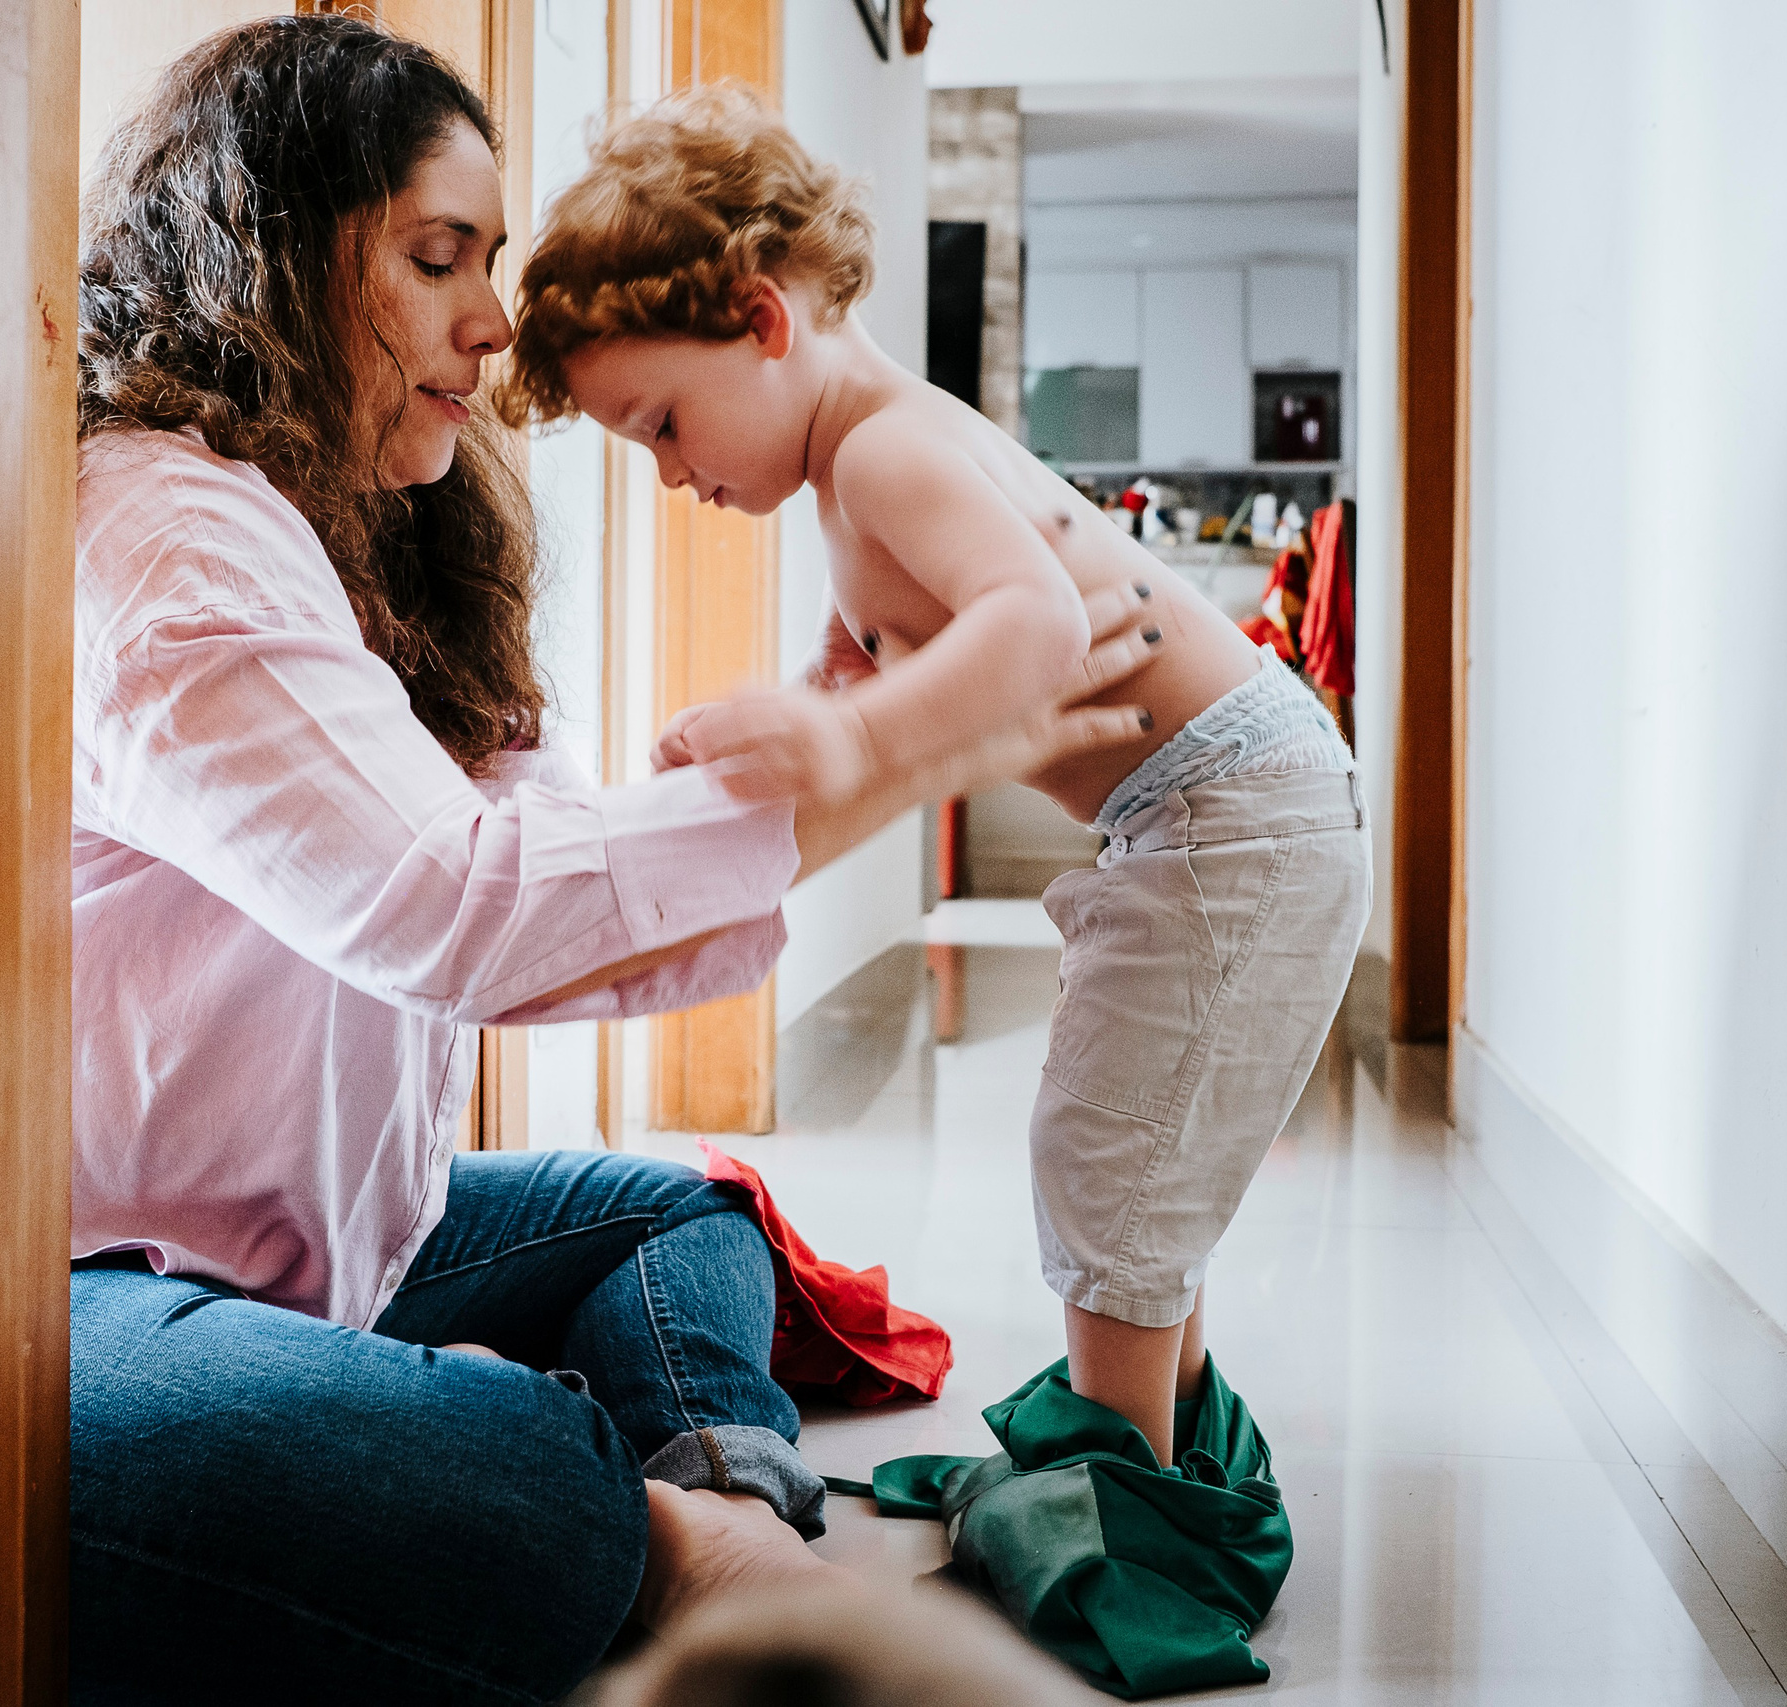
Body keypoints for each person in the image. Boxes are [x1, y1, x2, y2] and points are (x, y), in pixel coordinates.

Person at [67, 19, 1157, 1704]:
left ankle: (703, 1483)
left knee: (687, 1214)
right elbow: (461, 915)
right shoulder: (167, 537)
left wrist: (822, 744)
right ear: (276, 252)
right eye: (439, 259)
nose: (493, 322)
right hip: (113, 1286)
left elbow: (543, 876)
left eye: (486, 261)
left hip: (338, 1252)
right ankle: (673, 1529)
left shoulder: (365, 534)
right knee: (509, 1473)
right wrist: (898, 750)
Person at [502, 86, 1372, 1472]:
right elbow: (862, 667)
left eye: (664, 423)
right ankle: (1158, 1448)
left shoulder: (888, 449)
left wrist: (845, 743)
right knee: (1134, 1137)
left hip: (1235, 807)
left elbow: (1030, 624)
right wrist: (786, 720)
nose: (671, 474)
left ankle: (1130, 1501)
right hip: (1202, 812)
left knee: (1113, 1154)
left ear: (762, 318)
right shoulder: (859, 474)